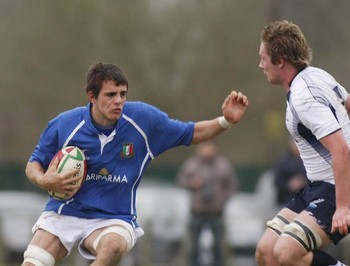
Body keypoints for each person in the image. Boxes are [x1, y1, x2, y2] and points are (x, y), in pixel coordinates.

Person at [21, 62, 248, 266]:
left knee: (113, 247)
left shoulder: (143, 120)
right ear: (91, 96)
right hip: (65, 212)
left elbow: (191, 132)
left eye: (123, 94)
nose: (118, 101)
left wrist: (226, 121)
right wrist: (44, 179)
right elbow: (34, 164)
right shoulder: (64, 124)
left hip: (113, 218)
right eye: (111, 95)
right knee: (34, 261)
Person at [255, 20, 350, 266]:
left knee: (287, 251)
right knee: (267, 251)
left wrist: (342, 207)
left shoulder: (304, 97)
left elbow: (341, 149)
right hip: (316, 188)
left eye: (264, 58)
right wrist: (329, 121)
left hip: (347, 192)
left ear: (280, 61)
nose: (261, 64)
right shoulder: (317, 75)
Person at [177, 140, 238, 266]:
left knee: (219, 248)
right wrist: (192, 184)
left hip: (217, 213)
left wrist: (222, 199)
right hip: (196, 212)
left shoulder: (223, 165)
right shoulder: (191, 164)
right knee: (193, 248)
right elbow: (181, 181)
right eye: (204, 146)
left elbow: (232, 185)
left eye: (209, 146)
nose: (206, 149)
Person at [273, 137, 307, 207]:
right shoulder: (284, 161)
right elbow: (277, 180)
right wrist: (289, 185)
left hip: (306, 198)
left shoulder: (309, 160)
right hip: (287, 198)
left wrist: (303, 181)